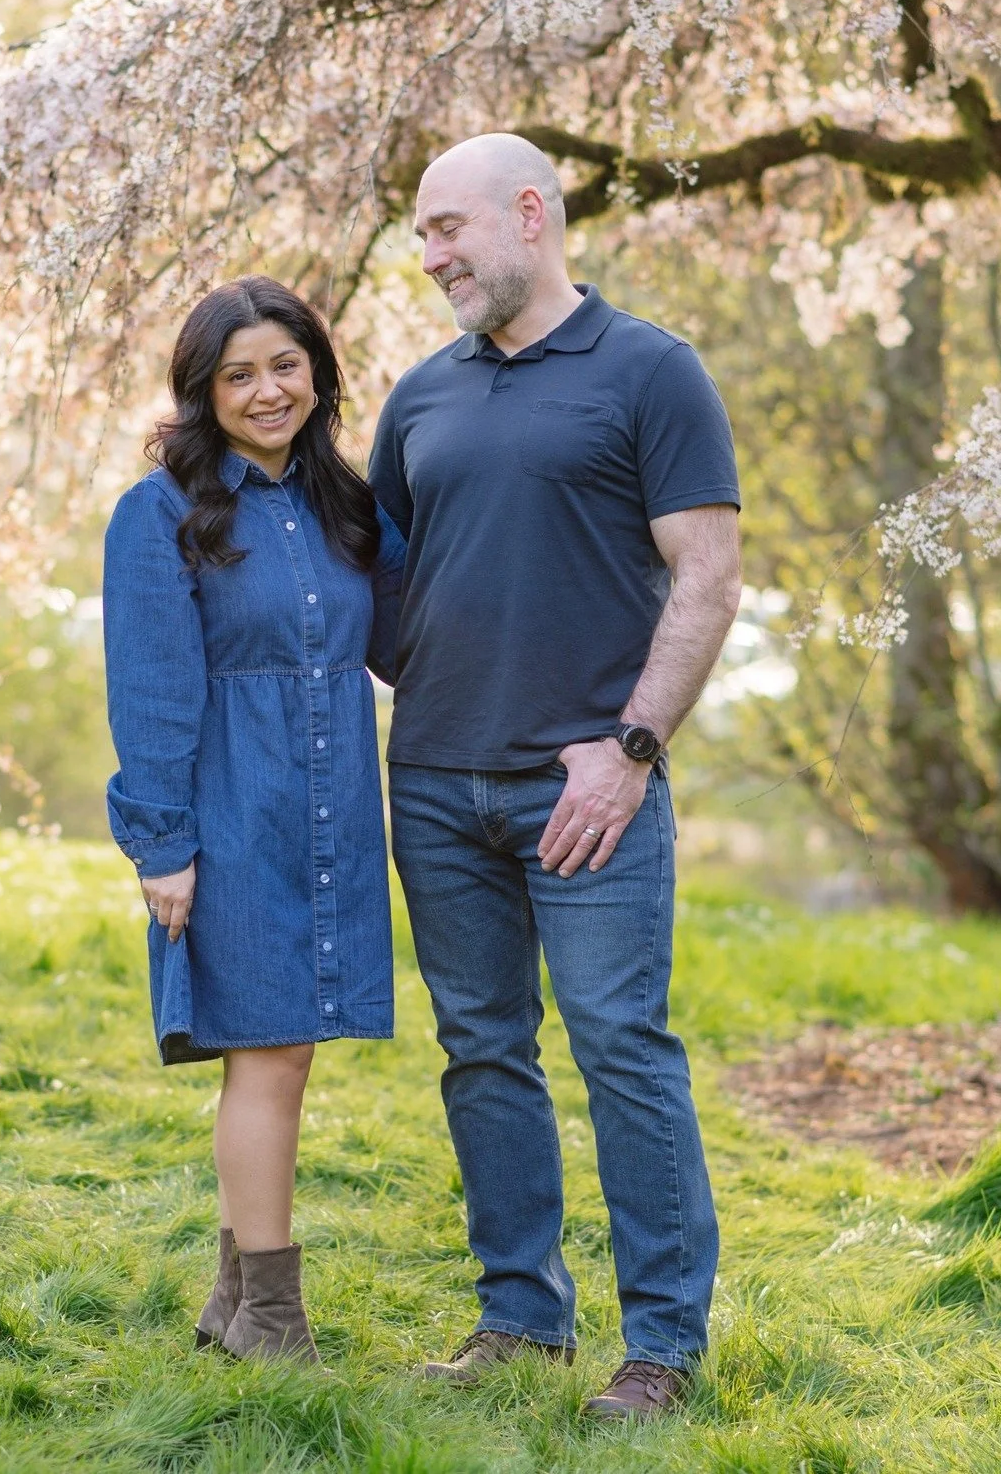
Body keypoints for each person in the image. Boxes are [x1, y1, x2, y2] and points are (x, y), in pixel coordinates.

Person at [368, 134, 742, 1420]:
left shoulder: (651, 371)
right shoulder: (418, 397)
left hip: (590, 791)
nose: (432, 258)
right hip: (431, 781)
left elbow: (706, 576)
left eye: (447, 228)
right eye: (421, 237)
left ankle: (661, 1347)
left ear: (529, 213)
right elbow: (388, 584)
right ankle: (522, 1318)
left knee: (621, 1048)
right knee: (480, 1049)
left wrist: (631, 748)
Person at [102, 275, 403, 1364]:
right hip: (231, 811)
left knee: (285, 1054)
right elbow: (151, 690)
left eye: (285, 364)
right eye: (239, 374)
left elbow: (407, 637)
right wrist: (164, 845)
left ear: (316, 371)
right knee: (266, 1053)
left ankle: (235, 1303)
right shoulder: (159, 513)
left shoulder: (347, 505)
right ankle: (274, 1318)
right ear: (203, 391)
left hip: (328, 812)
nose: (267, 389)